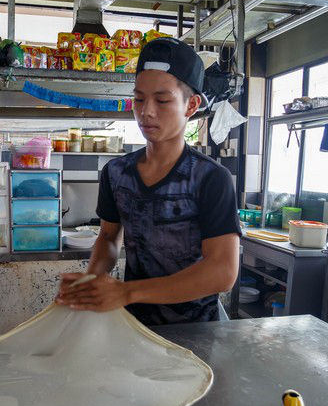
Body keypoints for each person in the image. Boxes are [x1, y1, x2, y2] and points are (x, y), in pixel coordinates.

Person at [56, 37, 241, 325]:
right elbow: (107, 237)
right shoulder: (117, 173)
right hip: (136, 326)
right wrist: (91, 284)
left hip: (199, 330)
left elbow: (223, 271)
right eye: (139, 99)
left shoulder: (210, 178)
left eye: (162, 100)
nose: (146, 111)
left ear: (190, 105)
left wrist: (127, 292)